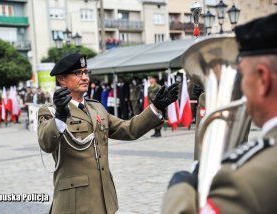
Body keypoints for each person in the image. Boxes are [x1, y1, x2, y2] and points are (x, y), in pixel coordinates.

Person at [162, 13, 277, 214]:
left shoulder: (243, 178)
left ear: (262, 79)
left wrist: (178, 190)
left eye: (242, 75)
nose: (240, 86)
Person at [37, 53, 179, 214]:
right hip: (75, 202)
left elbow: (128, 129)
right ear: (62, 79)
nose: (85, 77)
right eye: (78, 73)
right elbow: (46, 144)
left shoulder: (96, 108)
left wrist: (156, 107)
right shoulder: (49, 111)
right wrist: (60, 116)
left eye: (86, 72)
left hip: (104, 198)